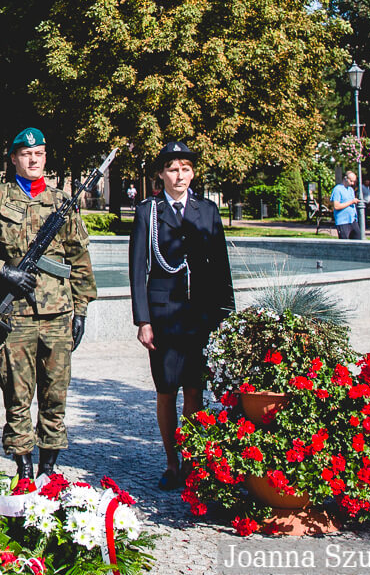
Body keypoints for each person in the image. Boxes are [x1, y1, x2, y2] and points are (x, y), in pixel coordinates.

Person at [0, 128, 97, 481]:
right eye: (26, 154)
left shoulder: (63, 201)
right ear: (14, 158)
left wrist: (81, 309)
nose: (34, 159)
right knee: (17, 395)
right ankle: (24, 470)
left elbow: (79, 259)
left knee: (55, 396)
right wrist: (1, 270)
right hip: (16, 313)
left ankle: (50, 470)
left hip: (59, 314)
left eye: (40, 154)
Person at [129, 141, 235, 491]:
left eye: (186, 169)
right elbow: (138, 268)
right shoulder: (149, 211)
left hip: (199, 313)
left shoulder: (207, 210)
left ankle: (192, 461)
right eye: (173, 169)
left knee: (194, 389)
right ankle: (172, 463)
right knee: (166, 389)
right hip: (164, 314)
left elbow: (220, 265)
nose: (180, 175)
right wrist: (143, 320)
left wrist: (226, 314)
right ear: (161, 174)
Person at [330, 170, 363, 239]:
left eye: (354, 181)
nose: (353, 183)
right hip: (342, 221)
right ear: (345, 179)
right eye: (351, 181)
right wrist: (351, 202)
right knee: (345, 244)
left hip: (352, 220)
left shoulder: (350, 190)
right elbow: (336, 206)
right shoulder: (337, 189)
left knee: (358, 239)